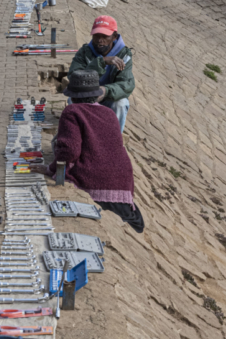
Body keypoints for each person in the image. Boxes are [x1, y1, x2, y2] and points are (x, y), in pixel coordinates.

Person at [28, 69, 144, 233]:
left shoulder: (72, 111)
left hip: (98, 182)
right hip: (123, 184)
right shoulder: (109, 113)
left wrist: (51, 170)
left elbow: (69, 151)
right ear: (96, 96)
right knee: (132, 221)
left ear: (73, 97)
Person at [68, 15, 134, 132]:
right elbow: (74, 77)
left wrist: (105, 91)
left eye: (105, 36)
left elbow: (126, 84)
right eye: (96, 36)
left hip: (109, 97)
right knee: (73, 97)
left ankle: (114, 139)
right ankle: (78, 134)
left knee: (121, 103)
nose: (99, 40)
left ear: (114, 36)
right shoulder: (84, 52)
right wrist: (101, 62)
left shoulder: (124, 55)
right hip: (87, 96)